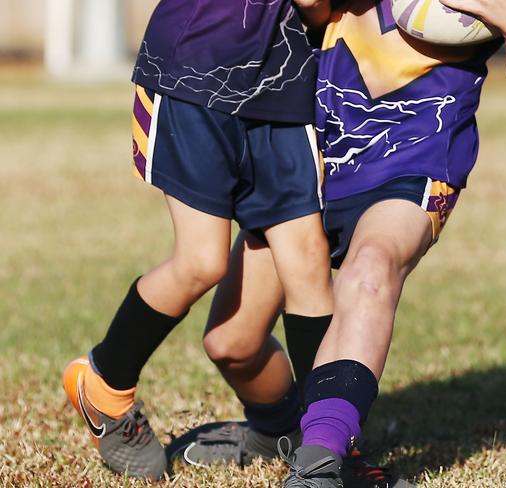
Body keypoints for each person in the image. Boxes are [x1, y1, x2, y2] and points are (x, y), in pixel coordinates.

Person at [199, 0, 506, 486]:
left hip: (418, 145)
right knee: (231, 342)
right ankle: (276, 429)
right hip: (313, 139)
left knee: (372, 267)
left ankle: (324, 459)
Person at [61, 0, 335, 480]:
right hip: (194, 75)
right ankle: (104, 385)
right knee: (201, 260)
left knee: (308, 262)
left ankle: (321, 444)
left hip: (284, 88)